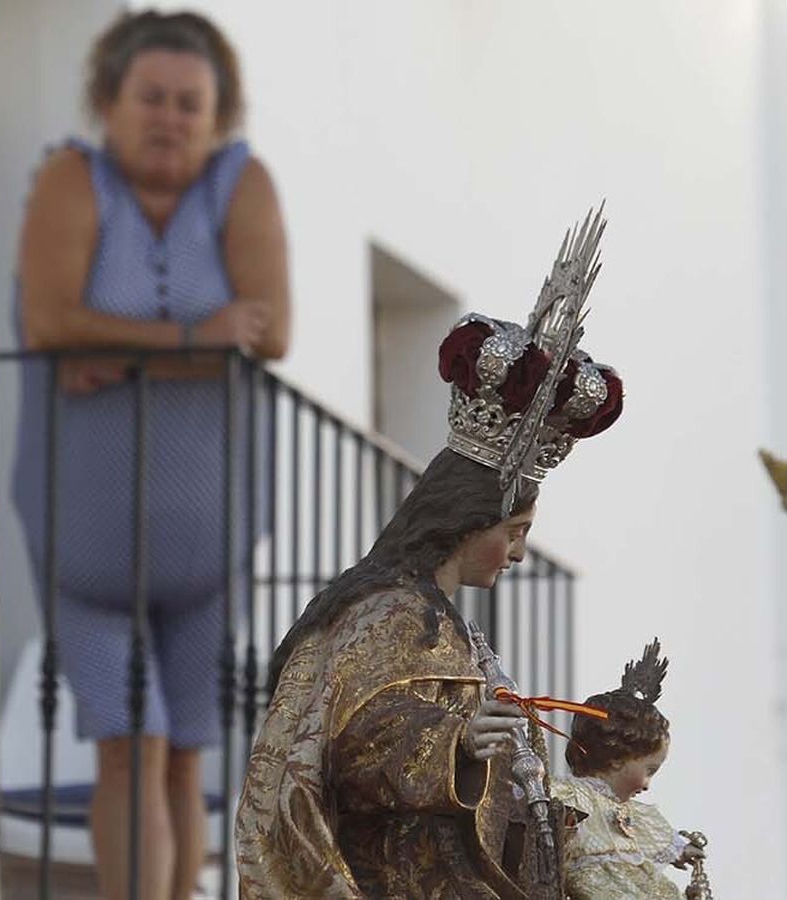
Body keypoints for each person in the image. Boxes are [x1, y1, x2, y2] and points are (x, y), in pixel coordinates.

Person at [235, 218, 626, 899]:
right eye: (515, 529)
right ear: (472, 520)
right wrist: (457, 741)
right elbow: (345, 747)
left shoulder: (448, 627)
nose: (519, 553)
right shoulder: (386, 614)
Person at [9, 10, 289, 900]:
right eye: (151, 98)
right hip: (82, 540)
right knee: (126, 743)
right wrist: (192, 340)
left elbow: (269, 330)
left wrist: (120, 351)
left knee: (183, 755)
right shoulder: (71, 178)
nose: (169, 117)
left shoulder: (241, 188)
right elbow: (48, 319)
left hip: (209, 544)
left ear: (218, 116)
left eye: (189, 103)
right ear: (109, 101)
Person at [553, 640, 706, 899]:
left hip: (635, 883)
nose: (647, 785)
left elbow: (648, 834)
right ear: (616, 760)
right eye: (649, 770)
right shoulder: (575, 796)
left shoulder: (627, 813)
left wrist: (679, 847)